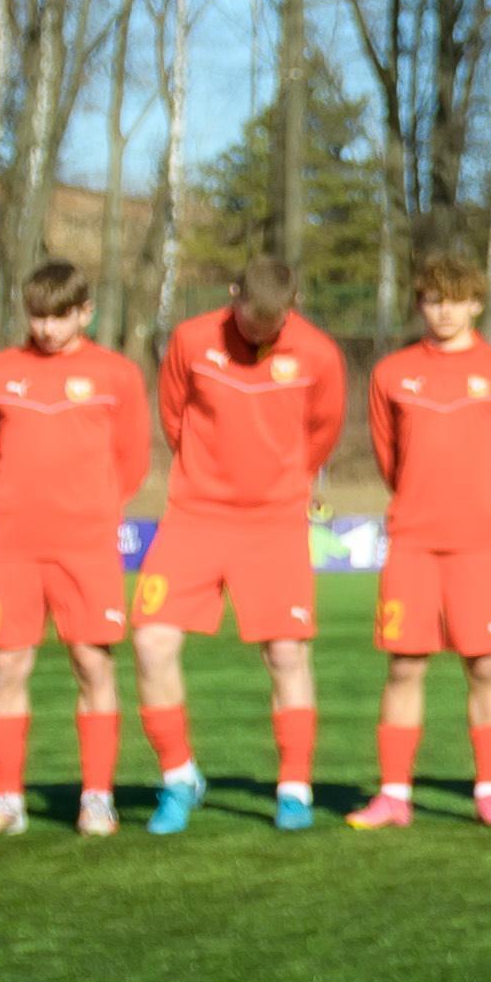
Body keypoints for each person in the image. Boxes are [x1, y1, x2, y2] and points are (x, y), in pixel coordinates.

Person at [143, 259, 347, 833]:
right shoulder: (191, 341)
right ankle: (179, 778)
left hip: (275, 523)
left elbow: (322, 432)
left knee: (286, 654)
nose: (259, 334)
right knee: (152, 642)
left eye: (271, 325)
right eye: (250, 321)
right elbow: (174, 416)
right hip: (195, 516)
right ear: (232, 295)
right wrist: (207, 476)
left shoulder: (319, 355)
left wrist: (280, 483)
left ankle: (294, 789)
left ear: (293, 306)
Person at [0, 257, 152, 836]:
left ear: (84, 312)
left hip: (86, 547)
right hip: (13, 546)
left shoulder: (117, 375)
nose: (46, 328)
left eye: (59, 317)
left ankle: (97, 798)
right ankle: (5, 801)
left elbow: (132, 459)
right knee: (6, 665)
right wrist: (15, 506)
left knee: (92, 662)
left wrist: (91, 509)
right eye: (37, 316)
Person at [356, 254, 491, 830]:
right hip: (413, 542)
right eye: (434, 300)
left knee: (483, 665)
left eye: (456, 300)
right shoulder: (392, 373)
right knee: (404, 666)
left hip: (478, 545)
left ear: (476, 304)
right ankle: (394, 795)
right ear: (420, 305)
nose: (444, 311)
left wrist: (480, 507)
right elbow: (389, 456)